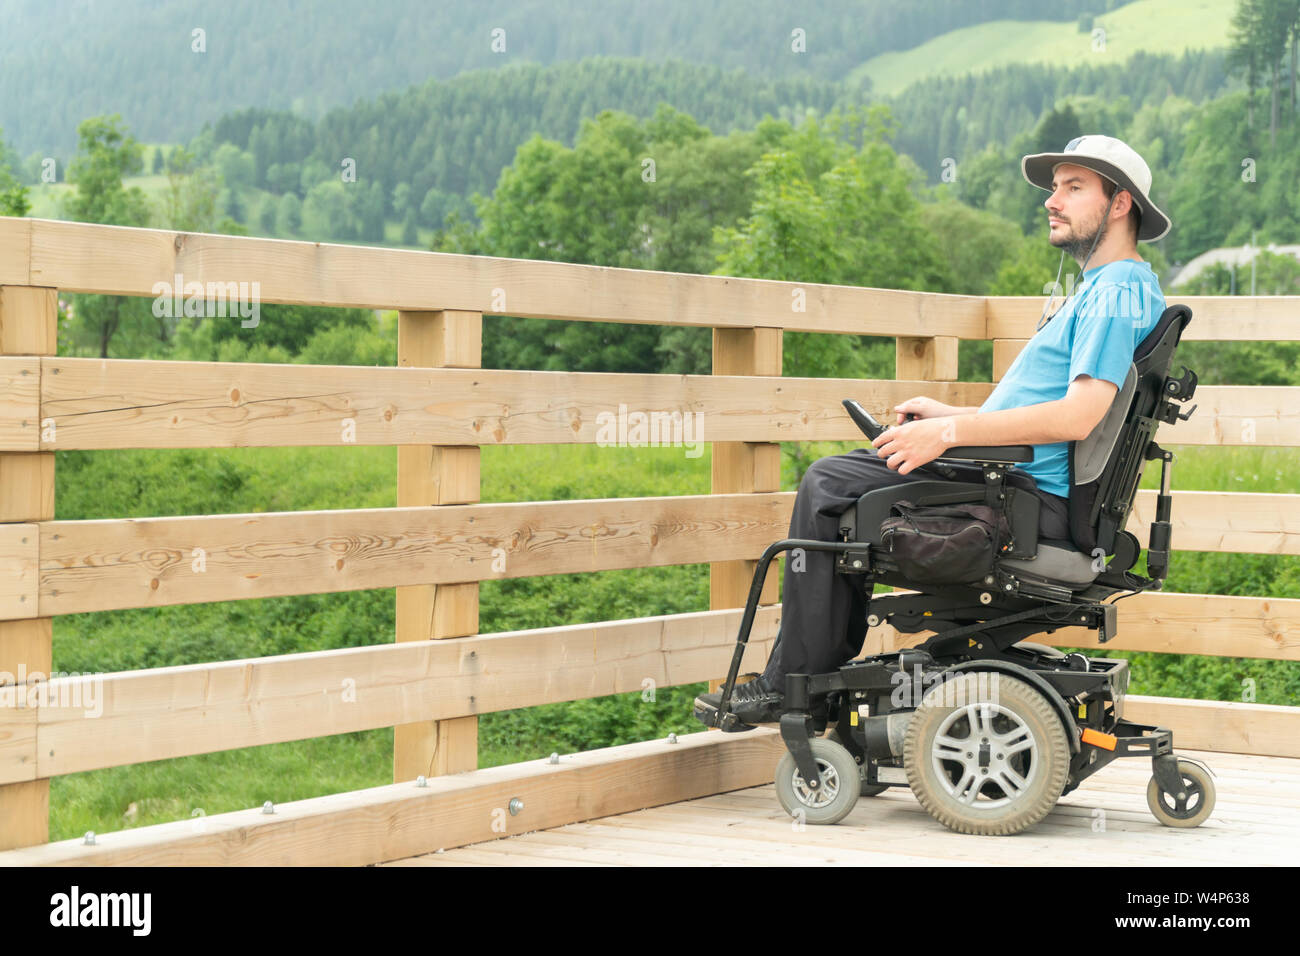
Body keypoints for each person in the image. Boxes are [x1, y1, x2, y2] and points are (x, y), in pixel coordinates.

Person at [695, 134, 1170, 728]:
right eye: (1055, 187)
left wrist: (947, 437)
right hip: (1015, 480)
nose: (1053, 200)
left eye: (1074, 188)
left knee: (829, 483)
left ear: (1120, 203)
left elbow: (1079, 415)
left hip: (1022, 497)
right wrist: (947, 417)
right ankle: (808, 680)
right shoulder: (1115, 289)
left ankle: (792, 688)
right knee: (850, 477)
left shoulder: (1116, 290)